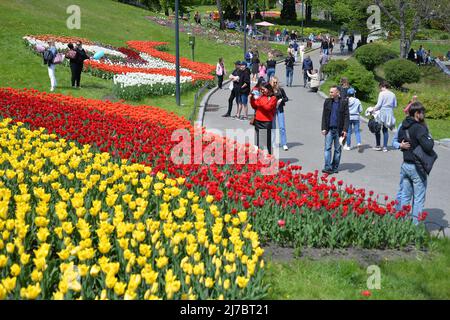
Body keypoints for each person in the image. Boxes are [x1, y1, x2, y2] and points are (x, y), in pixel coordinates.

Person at [397, 102, 435, 225]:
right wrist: (429, 137)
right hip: (416, 167)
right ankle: (415, 229)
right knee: (418, 199)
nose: (424, 114)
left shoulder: (404, 125)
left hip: (405, 165)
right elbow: (428, 146)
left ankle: (401, 224)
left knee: (405, 196)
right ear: (417, 113)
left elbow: (399, 141)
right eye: (422, 112)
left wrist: (403, 145)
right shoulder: (419, 127)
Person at [392, 96, 417, 209]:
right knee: (403, 190)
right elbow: (394, 142)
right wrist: (400, 145)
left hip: (418, 164)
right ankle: (397, 215)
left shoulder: (421, 126)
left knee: (414, 194)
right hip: (407, 163)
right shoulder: (402, 125)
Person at [321, 86, 350, 174]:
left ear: (337, 93)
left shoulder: (343, 103)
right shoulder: (327, 101)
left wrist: (345, 130)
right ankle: (327, 167)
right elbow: (324, 115)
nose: (330, 94)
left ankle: (335, 167)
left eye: (332, 92)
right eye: (330, 92)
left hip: (339, 130)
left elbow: (346, 117)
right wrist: (323, 128)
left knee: (337, 150)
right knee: (327, 148)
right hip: (329, 129)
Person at [250, 83, 278, 154]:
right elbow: (254, 106)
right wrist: (252, 98)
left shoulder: (273, 98)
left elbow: (267, 108)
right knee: (258, 142)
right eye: (261, 89)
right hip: (258, 121)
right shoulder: (261, 97)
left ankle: (269, 157)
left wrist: (259, 100)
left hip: (266, 122)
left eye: (263, 89)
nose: (262, 91)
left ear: (268, 89)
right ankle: (260, 158)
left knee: (266, 142)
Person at [372, 81, 397, 152]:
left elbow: (379, 104)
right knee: (385, 130)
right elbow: (395, 105)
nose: (380, 89)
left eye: (380, 87)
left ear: (383, 86)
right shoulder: (393, 94)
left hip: (382, 112)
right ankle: (385, 147)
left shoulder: (382, 93)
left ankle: (378, 145)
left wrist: (373, 109)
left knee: (377, 128)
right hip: (389, 113)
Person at [270, 77, 289, 151]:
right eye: (273, 82)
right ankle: (273, 142)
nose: (275, 84)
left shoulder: (280, 90)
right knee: (273, 127)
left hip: (280, 109)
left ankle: (284, 143)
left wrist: (281, 100)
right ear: (271, 82)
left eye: (276, 82)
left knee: (282, 127)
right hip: (272, 110)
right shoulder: (269, 90)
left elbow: (286, 98)